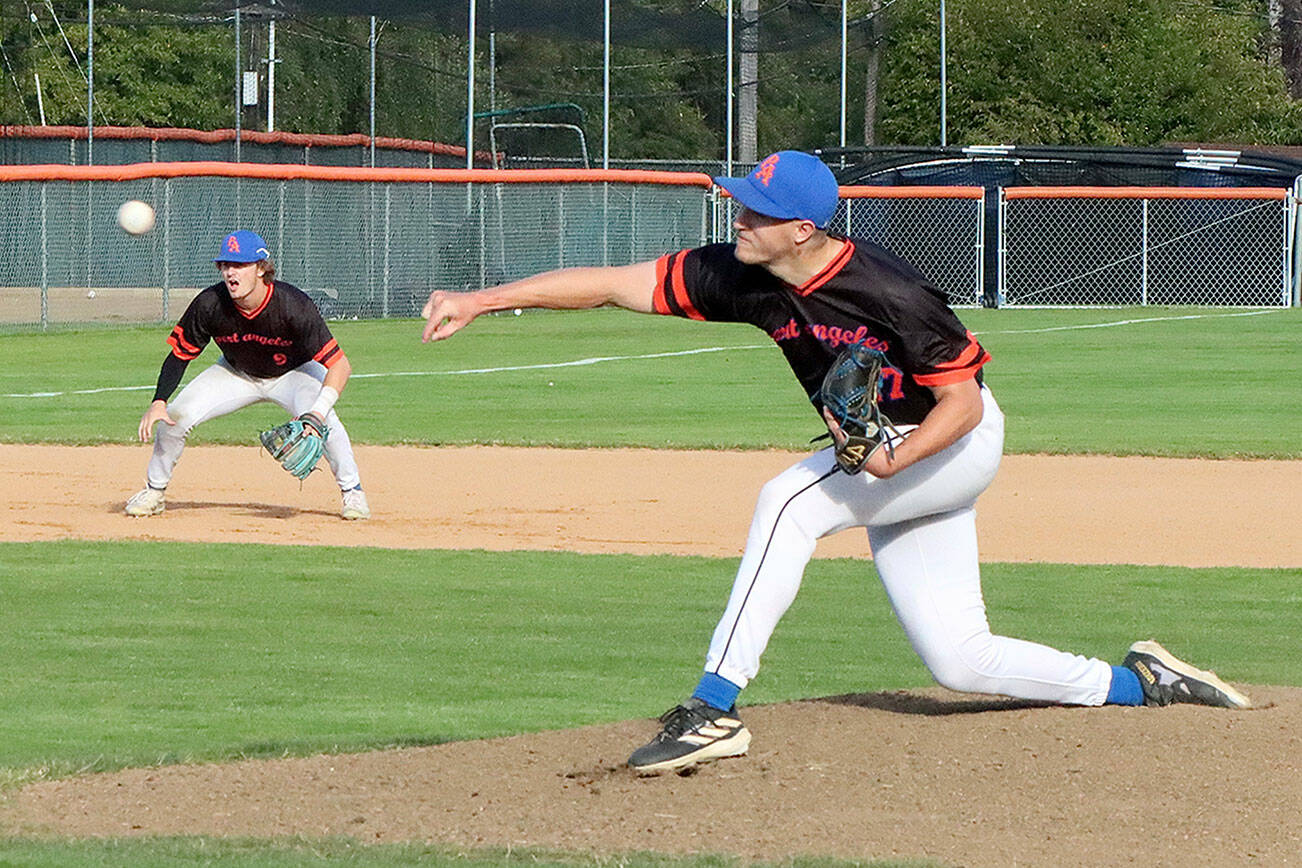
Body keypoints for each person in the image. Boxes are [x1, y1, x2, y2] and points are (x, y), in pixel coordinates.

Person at [419, 151, 1251, 774]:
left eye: (755, 212)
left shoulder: (890, 289)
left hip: (951, 441)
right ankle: (1142, 681)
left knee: (790, 500)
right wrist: (480, 301)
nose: (738, 219)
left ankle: (714, 708)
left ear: (804, 228)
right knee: (960, 659)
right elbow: (607, 283)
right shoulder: (736, 273)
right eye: (740, 205)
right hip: (891, 450)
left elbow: (961, 400)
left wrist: (898, 460)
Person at [126, 230, 370, 521]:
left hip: (295, 373)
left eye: (240, 265)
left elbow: (340, 366)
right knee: (173, 417)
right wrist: (159, 401)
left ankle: (352, 492)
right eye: (226, 265)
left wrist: (316, 413)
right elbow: (180, 356)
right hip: (236, 373)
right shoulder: (210, 304)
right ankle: (155, 491)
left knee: (325, 422)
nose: (231, 272)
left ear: (261, 268)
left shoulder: (293, 305)